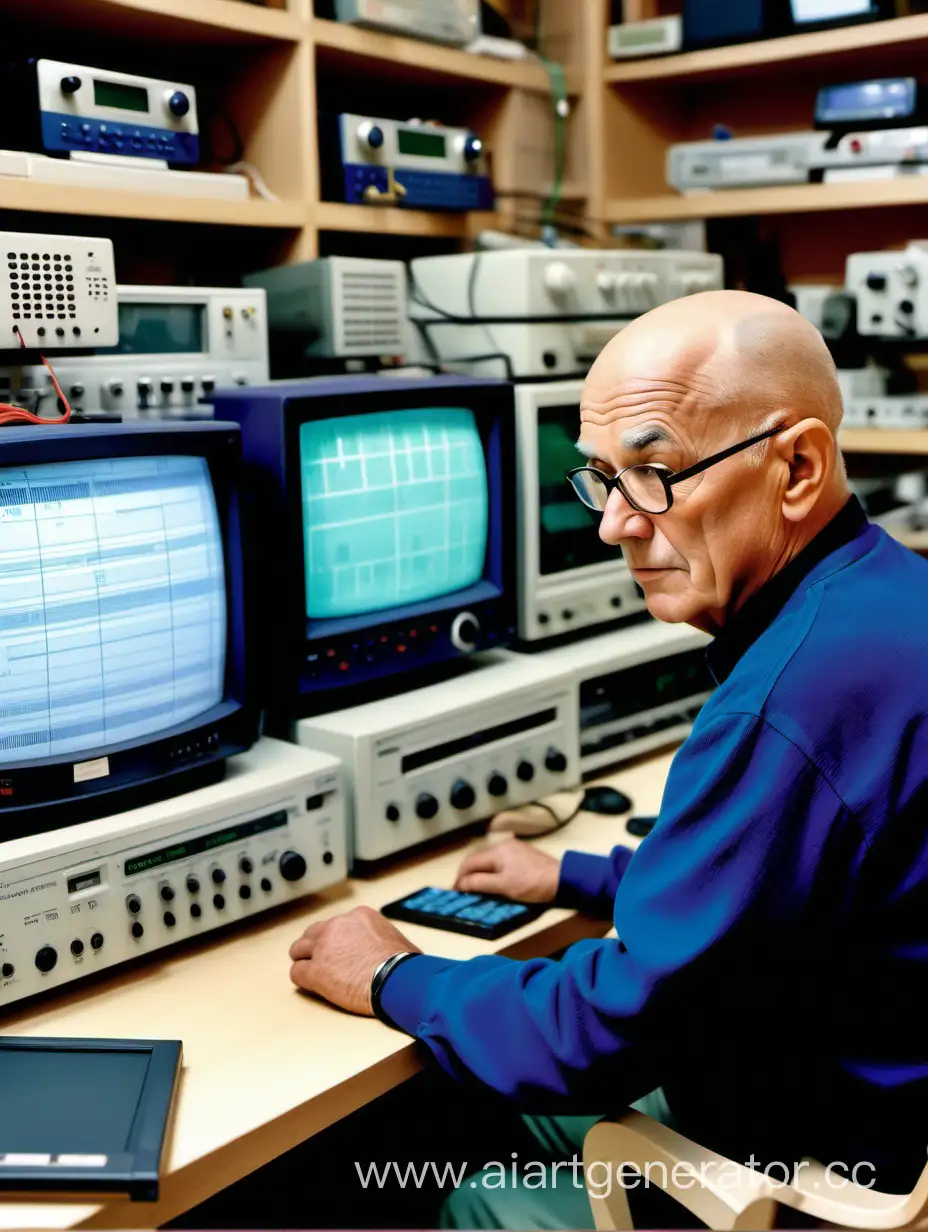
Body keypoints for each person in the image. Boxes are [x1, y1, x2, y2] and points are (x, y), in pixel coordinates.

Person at [287, 289, 928, 1228]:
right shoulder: (888, 593)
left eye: (655, 473)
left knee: (472, 1197)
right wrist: (578, 875)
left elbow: (603, 1036)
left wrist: (392, 975)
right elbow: (800, 875)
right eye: (599, 480)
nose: (615, 525)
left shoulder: (784, 704)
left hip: (822, 1160)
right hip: (867, 1082)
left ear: (797, 466)